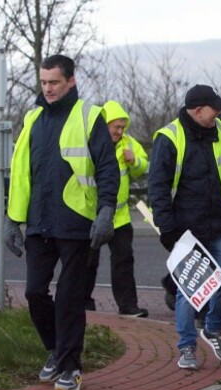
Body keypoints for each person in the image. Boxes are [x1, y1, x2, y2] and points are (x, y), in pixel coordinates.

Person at [3, 54, 120, 390]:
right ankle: (56, 349)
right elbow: (21, 172)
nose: (48, 88)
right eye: (43, 82)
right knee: (34, 292)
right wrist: (13, 219)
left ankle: (71, 367)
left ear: (71, 81)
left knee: (69, 297)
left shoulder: (90, 116)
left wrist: (105, 211)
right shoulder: (33, 118)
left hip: (76, 222)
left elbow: (107, 169)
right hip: (39, 223)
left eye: (54, 82)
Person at [148, 84, 221, 368]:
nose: (220, 113)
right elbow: (158, 188)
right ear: (198, 111)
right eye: (215, 108)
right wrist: (168, 230)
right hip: (185, 229)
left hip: (218, 223)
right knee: (190, 291)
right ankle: (187, 347)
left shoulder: (220, 131)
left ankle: (212, 329)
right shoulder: (169, 137)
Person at [83, 100, 149, 318]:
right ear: (106, 124)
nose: (120, 132)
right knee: (88, 262)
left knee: (123, 261)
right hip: (92, 214)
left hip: (119, 216)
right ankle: (84, 301)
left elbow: (144, 167)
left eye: (123, 127)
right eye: (116, 127)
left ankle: (128, 306)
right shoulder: (91, 141)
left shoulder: (128, 143)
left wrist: (134, 161)